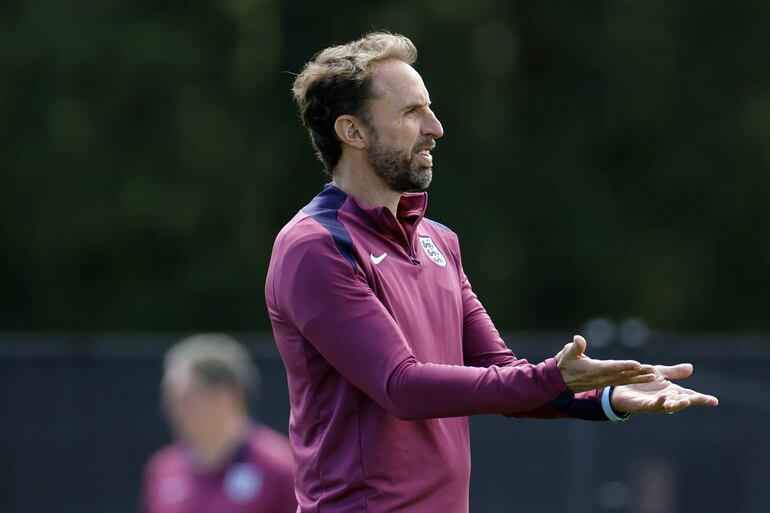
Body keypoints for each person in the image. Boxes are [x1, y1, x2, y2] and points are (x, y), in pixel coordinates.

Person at [265, 32, 718, 513]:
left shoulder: (438, 241)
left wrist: (606, 397)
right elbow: (402, 386)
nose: (435, 127)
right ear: (352, 132)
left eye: (429, 109)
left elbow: (501, 374)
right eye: (410, 112)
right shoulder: (314, 247)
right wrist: (552, 378)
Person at [141, 334, 297, 513]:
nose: (171, 410)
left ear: (226, 396)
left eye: (184, 398)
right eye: (170, 399)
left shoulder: (280, 468)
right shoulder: (162, 471)